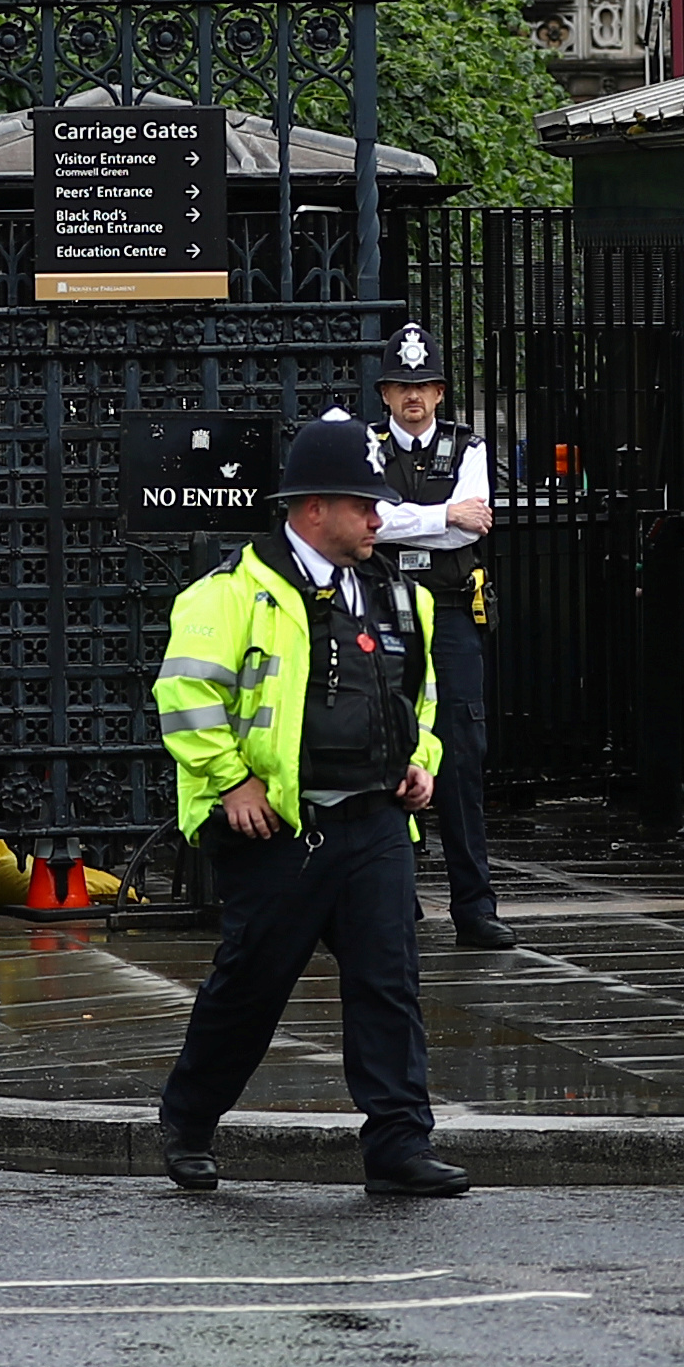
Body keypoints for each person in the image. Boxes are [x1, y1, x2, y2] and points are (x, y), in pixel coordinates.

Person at [150, 411, 460, 1196]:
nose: (378, 517)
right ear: (313, 507)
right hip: (283, 831)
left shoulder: (398, 594)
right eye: (364, 504)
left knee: (388, 986)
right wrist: (230, 782)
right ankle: (187, 1120)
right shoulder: (230, 594)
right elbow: (185, 696)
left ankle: (398, 1143)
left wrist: (418, 765)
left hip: (376, 823)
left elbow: (419, 701)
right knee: (249, 988)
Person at [363, 318, 512, 949]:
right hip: (383, 608)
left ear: (442, 392)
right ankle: (392, 898)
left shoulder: (468, 446)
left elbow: (469, 528)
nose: (413, 397)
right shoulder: (368, 445)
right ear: (386, 394)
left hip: (450, 610)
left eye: (424, 385)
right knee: (378, 748)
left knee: (460, 759)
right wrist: (439, 514)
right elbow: (370, 522)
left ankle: (474, 907)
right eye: (402, 386)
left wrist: (417, 520)